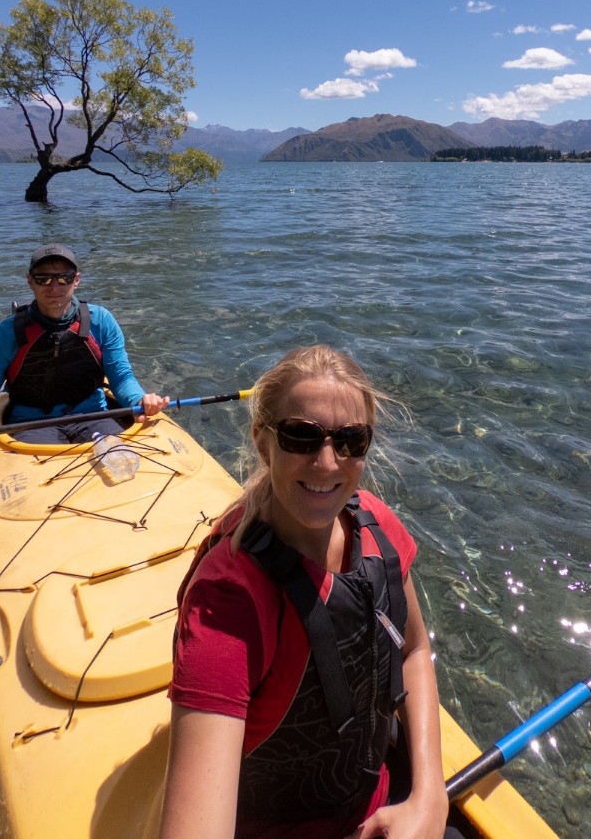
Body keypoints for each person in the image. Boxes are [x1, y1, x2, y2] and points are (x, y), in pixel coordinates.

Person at [161, 345, 453, 839]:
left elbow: (413, 650)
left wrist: (428, 794)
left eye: (350, 441)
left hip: (381, 806)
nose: (325, 463)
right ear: (262, 442)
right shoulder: (228, 606)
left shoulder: (378, 529)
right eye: (300, 436)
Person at [0, 244, 168, 453]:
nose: (53, 287)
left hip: (93, 415)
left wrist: (139, 400)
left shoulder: (101, 321)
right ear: (29, 282)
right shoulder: (5, 334)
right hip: (31, 424)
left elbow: (121, 378)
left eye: (63, 277)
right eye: (43, 279)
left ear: (76, 280)